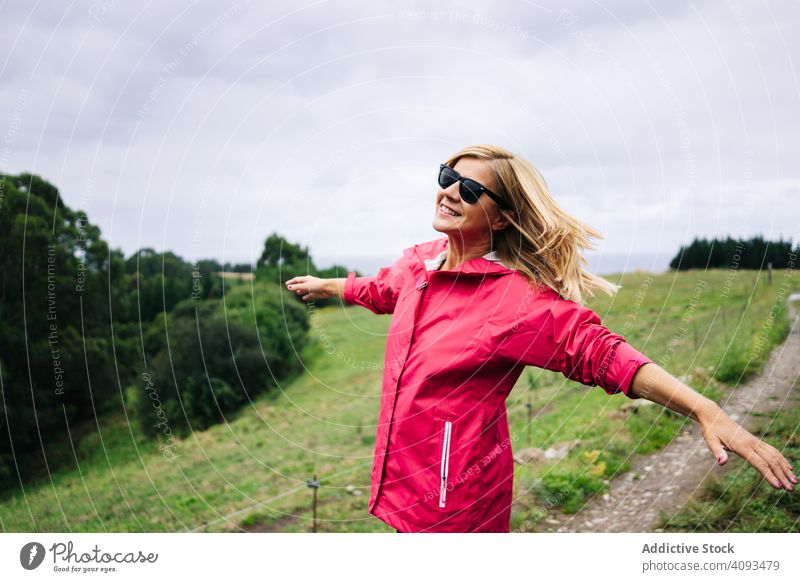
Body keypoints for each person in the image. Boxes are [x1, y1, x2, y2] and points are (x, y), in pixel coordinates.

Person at [284, 144, 797, 533]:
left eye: (468, 189)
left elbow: (602, 353)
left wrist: (706, 410)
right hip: (401, 484)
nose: (448, 191)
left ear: (502, 216)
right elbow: (385, 289)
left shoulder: (514, 302)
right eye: (447, 177)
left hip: (457, 502)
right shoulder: (420, 263)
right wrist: (331, 287)